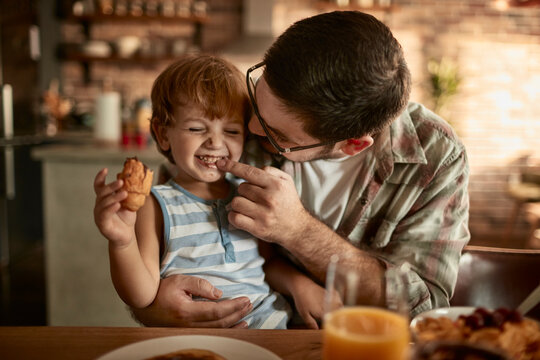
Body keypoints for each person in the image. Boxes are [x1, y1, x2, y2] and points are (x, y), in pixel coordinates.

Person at [132, 10, 470, 328]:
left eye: (278, 136)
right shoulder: (234, 114)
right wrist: (153, 306)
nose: (250, 127)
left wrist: (298, 232)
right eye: (258, 98)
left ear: (352, 144)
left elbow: (424, 308)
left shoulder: (435, 156)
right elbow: (172, 240)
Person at [93, 54, 326, 329]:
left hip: (271, 329)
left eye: (231, 131)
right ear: (163, 133)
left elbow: (266, 264)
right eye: (196, 128)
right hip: (201, 340)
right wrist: (121, 242)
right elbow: (141, 295)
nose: (216, 142)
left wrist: (300, 286)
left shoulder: (248, 196)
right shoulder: (154, 205)